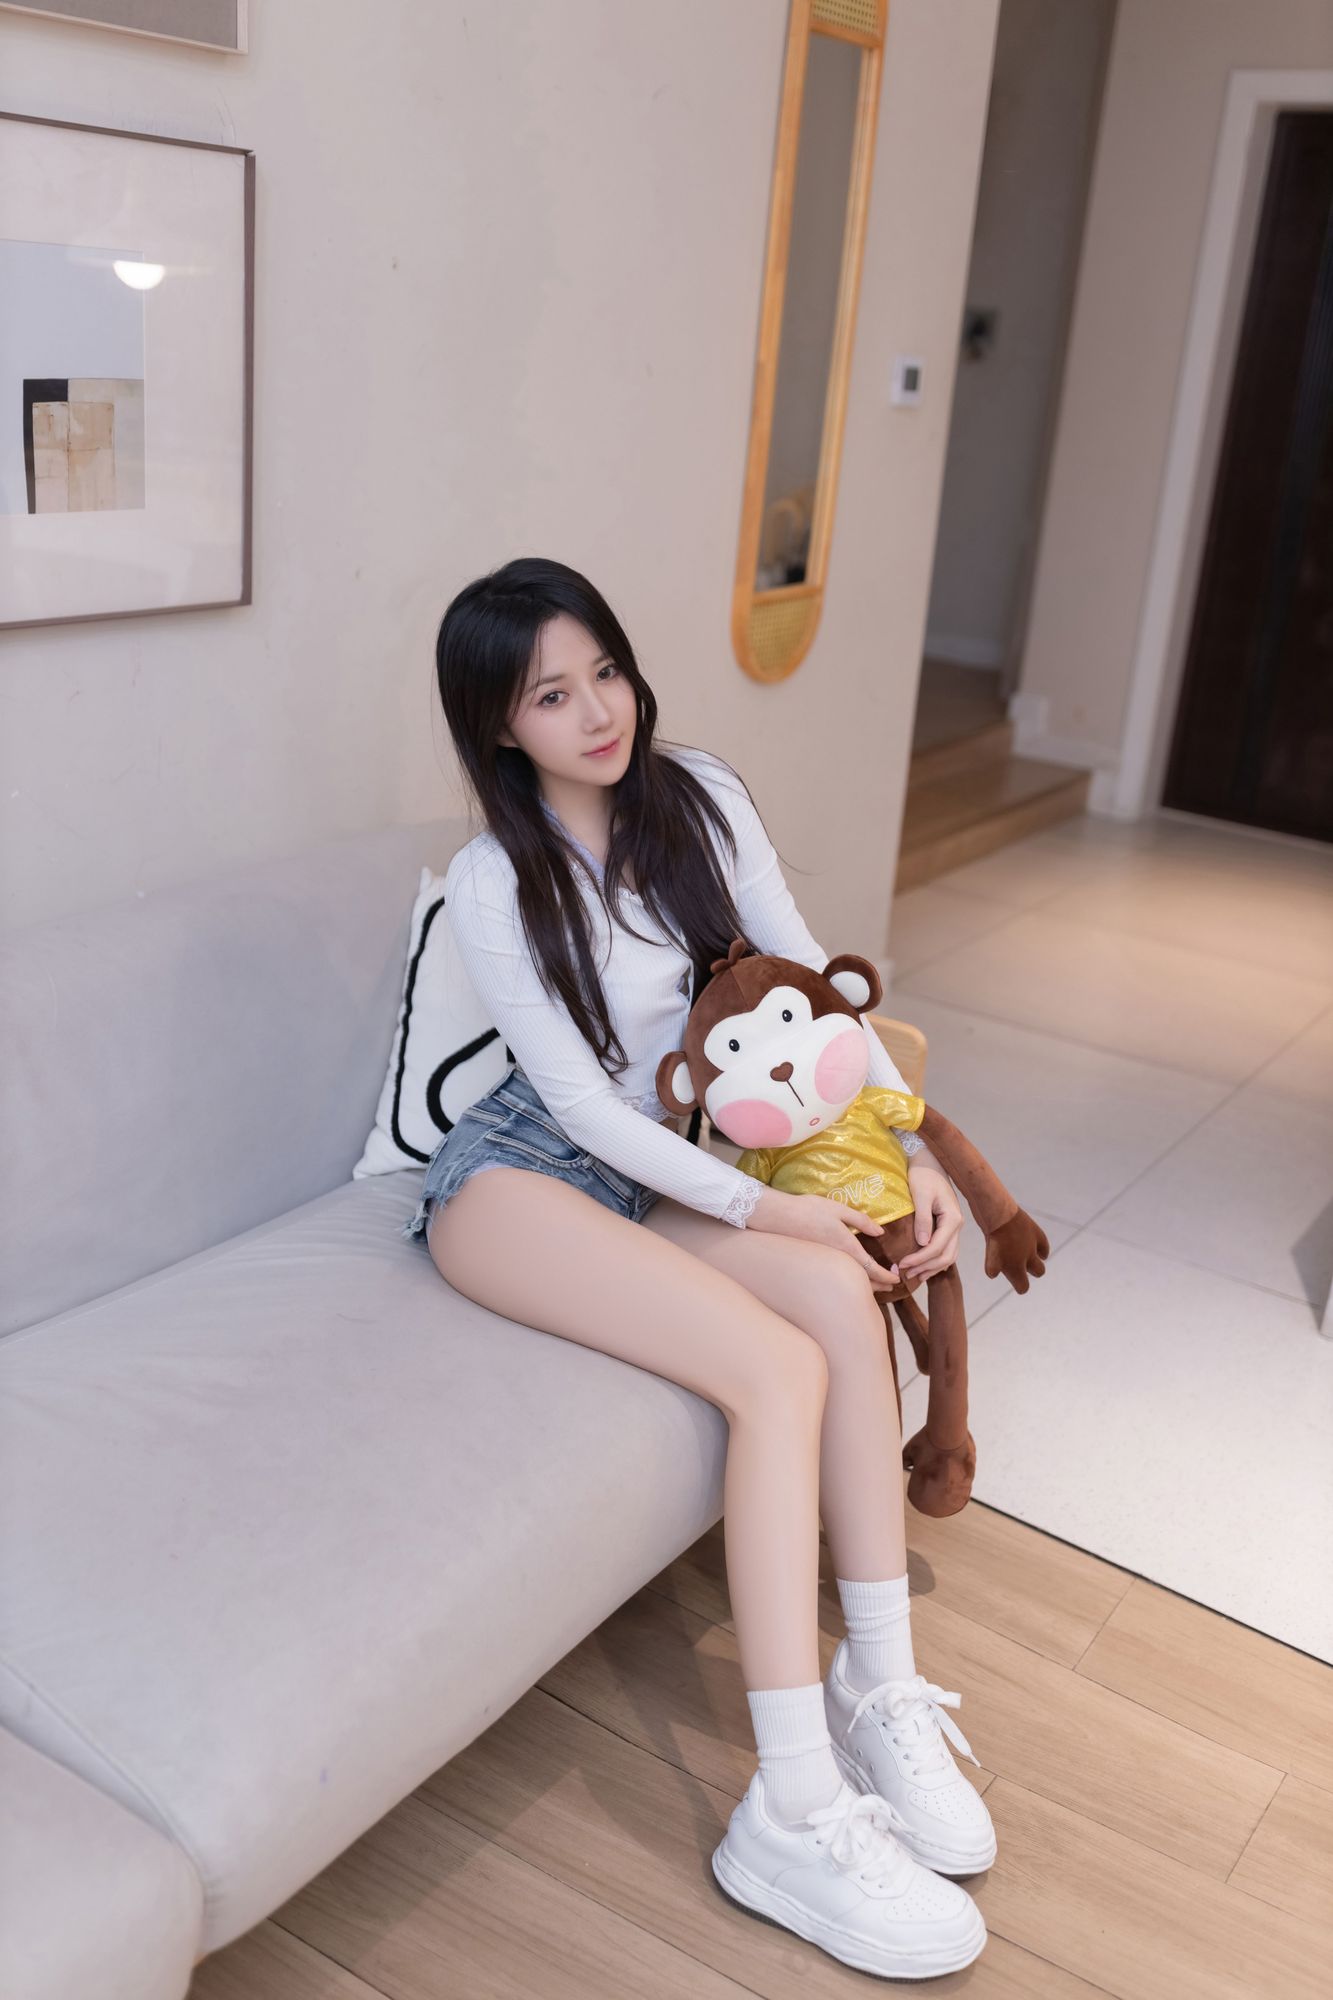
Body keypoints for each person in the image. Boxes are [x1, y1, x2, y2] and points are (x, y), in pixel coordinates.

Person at [403, 556, 991, 1979]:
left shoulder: (702, 798)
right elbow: (585, 1106)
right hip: (525, 1178)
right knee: (773, 1366)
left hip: (662, 1169)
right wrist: (764, 1210)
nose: (598, 711)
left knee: (840, 1296)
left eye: (604, 670)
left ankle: (878, 1688)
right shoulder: (496, 880)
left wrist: (901, 1151)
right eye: (552, 695)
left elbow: (811, 993)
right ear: (500, 726)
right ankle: (786, 1811)